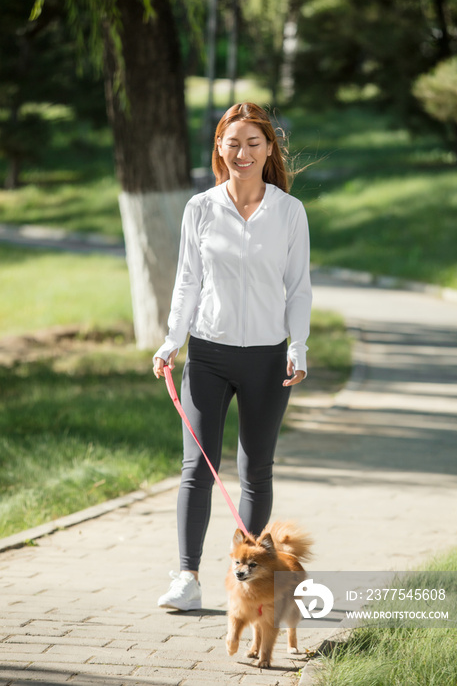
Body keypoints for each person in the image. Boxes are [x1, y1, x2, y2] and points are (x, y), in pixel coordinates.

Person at [153, 102, 312, 611]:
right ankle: (187, 577)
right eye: (233, 142)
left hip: (267, 359)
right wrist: (171, 339)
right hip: (210, 354)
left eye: (253, 143)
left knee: (256, 469)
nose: (242, 152)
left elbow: (299, 288)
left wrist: (298, 345)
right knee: (196, 467)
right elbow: (186, 282)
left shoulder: (289, 211)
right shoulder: (200, 207)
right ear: (219, 147)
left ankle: (252, 578)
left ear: (269, 149)